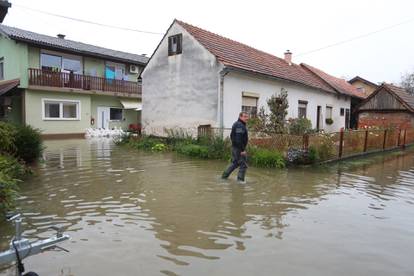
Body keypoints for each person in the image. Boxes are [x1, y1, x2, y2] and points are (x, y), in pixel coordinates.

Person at [222, 112, 249, 182]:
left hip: (235, 147)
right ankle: (240, 182)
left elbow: (232, 136)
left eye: (247, 117)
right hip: (238, 148)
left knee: (235, 163)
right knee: (243, 165)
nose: (247, 118)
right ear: (240, 117)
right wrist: (242, 150)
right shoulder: (239, 125)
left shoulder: (238, 124)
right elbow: (238, 139)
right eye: (245, 116)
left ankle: (224, 177)